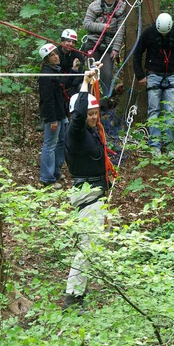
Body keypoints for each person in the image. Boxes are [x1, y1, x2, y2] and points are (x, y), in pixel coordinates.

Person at [63, 64, 108, 311]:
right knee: (86, 248)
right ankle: (72, 298)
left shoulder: (91, 132)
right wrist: (84, 82)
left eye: (95, 113)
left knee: (91, 247)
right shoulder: (75, 133)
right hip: (88, 196)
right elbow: (79, 114)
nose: (93, 116)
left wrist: (92, 81)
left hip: (97, 194)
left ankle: (80, 290)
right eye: (90, 114)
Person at [133, 12, 174, 157]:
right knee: (154, 111)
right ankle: (155, 146)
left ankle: (170, 145)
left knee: (170, 111)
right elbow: (137, 53)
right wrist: (140, 75)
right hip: (153, 75)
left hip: (171, 76)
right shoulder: (149, 33)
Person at [83, 0, 126, 107]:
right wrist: (103, 27)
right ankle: (90, 101)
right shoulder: (94, 6)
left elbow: (120, 30)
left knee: (107, 74)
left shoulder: (120, 7)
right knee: (92, 74)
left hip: (108, 46)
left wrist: (116, 49)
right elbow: (87, 24)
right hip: (94, 44)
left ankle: (105, 101)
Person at [38, 43, 68, 187]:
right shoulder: (46, 75)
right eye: (52, 55)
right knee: (50, 145)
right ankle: (47, 178)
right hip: (53, 116)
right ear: (46, 59)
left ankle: (56, 171)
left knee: (61, 141)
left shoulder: (56, 71)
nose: (56, 56)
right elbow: (47, 99)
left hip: (60, 113)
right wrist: (52, 119)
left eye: (56, 53)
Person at [57, 28, 85, 101]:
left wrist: (74, 85)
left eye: (73, 42)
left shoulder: (77, 55)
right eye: (68, 41)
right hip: (59, 84)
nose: (71, 44)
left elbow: (81, 72)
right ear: (62, 41)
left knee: (83, 87)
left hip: (74, 84)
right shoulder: (56, 54)